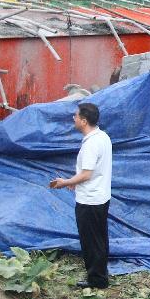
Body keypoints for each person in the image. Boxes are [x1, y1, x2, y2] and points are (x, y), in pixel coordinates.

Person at [49, 103, 113, 289]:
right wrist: (76, 182)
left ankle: (97, 280)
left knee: (91, 241)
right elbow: (93, 172)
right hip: (100, 196)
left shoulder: (92, 144)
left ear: (84, 121)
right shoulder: (102, 137)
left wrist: (66, 182)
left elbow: (87, 174)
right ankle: (101, 275)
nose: (73, 119)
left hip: (90, 200)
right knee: (99, 238)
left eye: (76, 116)